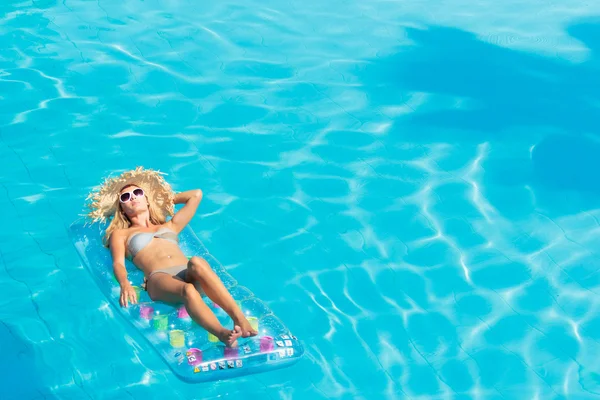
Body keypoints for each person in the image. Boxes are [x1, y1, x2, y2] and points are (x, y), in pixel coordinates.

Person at [86, 166, 257, 347]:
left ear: (146, 199)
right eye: (125, 197)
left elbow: (196, 195)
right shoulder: (121, 234)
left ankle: (239, 319)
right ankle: (222, 333)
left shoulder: (170, 226)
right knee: (188, 290)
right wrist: (124, 283)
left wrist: (163, 201)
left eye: (137, 192)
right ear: (122, 208)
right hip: (159, 278)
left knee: (198, 262)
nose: (133, 197)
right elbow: (118, 264)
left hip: (186, 271)